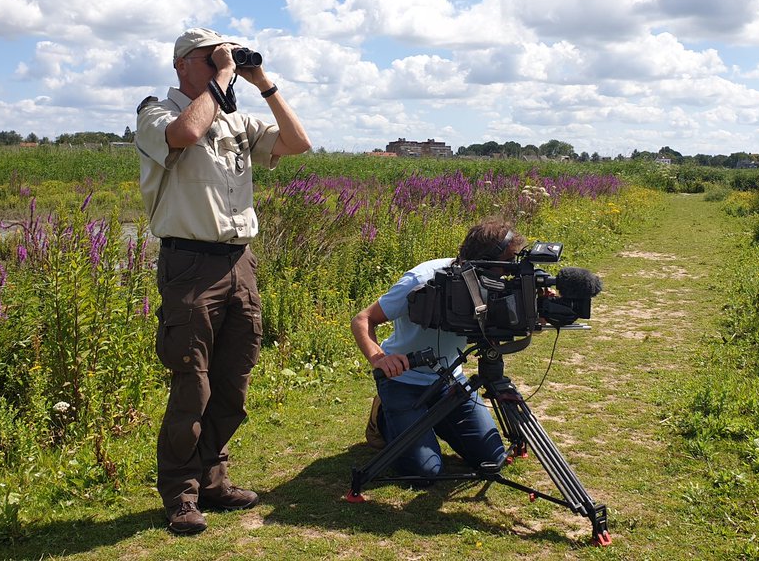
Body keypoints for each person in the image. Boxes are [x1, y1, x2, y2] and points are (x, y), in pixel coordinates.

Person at [135, 27, 311, 535]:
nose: (220, 65)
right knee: (192, 383)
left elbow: (298, 143)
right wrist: (224, 79)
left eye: (224, 58)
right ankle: (181, 494)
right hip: (189, 264)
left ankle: (213, 477)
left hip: (240, 261)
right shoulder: (156, 112)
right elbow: (187, 135)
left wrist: (262, 83)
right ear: (182, 64)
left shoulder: (237, 116)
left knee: (234, 380)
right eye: (211, 58)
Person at [350, 218, 525, 480]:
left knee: (493, 459)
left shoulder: (493, 283)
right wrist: (379, 359)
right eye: (502, 268)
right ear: (483, 262)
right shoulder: (423, 279)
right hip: (403, 381)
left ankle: (432, 421)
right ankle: (384, 419)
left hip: (450, 383)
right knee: (424, 474)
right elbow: (363, 319)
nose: (505, 275)